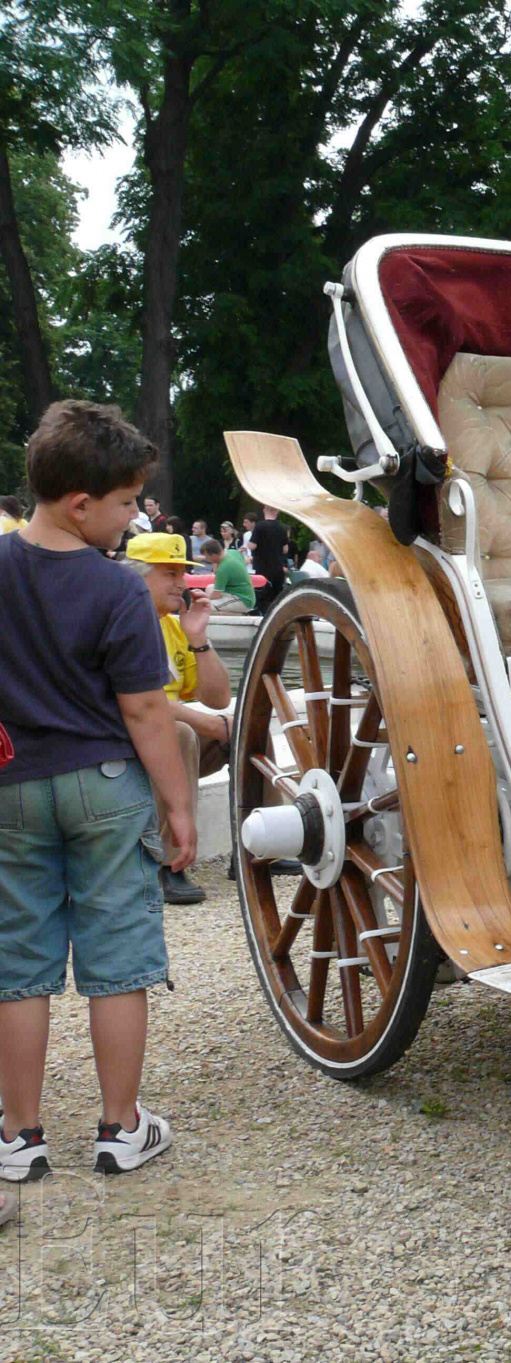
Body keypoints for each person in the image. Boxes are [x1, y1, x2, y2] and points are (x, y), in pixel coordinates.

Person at [0, 400, 186, 1183]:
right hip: (106, 786)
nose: (133, 517)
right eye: (126, 503)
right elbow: (145, 711)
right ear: (81, 504)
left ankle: (19, 1137)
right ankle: (120, 1128)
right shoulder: (118, 590)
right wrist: (178, 805)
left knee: (18, 961)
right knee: (118, 957)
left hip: (13, 785)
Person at [124, 532, 233, 905]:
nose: (182, 583)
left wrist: (198, 638)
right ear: (137, 576)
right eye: (169, 573)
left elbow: (218, 698)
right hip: (125, 740)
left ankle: (258, 849)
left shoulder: (172, 625)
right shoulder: (120, 621)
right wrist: (209, 725)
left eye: (181, 573)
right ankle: (169, 863)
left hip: (161, 736)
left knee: (247, 728)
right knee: (181, 732)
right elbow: (140, 699)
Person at [251, 505, 289, 606]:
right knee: (277, 598)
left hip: (262, 567)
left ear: (264, 510)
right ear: (277, 512)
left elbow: (252, 546)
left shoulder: (259, 526)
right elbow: (285, 549)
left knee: (262, 595)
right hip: (277, 567)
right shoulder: (282, 527)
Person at [207, 538, 255, 611]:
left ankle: (237, 614)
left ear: (213, 555)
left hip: (242, 600)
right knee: (209, 588)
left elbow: (216, 595)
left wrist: (203, 599)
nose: (206, 559)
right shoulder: (233, 552)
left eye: (206, 556)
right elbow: (245, 561)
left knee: (205, 607)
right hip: (243, 594)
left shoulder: (223, 568)